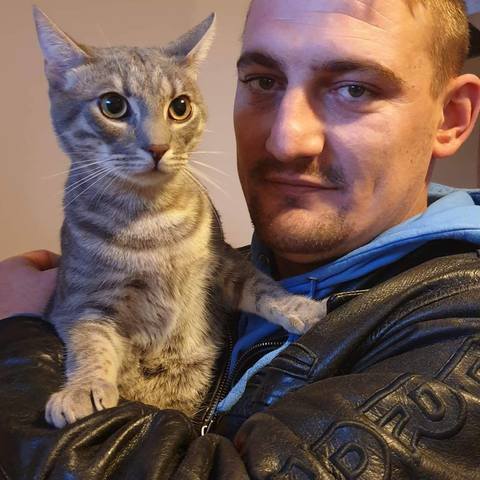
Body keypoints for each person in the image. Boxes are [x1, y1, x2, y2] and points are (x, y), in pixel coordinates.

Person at [1, 0, 480, 477]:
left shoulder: (461, 328)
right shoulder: (244, 264)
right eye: (263, 81)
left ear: (451, 118)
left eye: (355, 89)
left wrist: (19, 342)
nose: (286, 141)